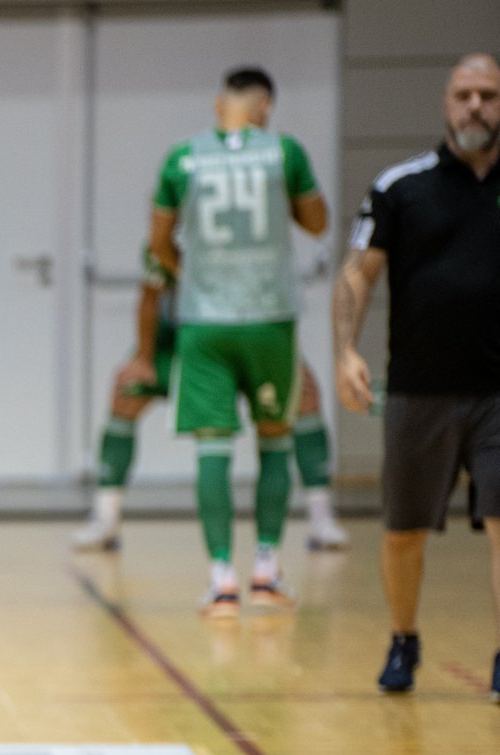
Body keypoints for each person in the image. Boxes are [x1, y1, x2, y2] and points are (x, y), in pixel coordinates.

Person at [334, 53, 500, 699]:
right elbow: (357, 272)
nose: (476, 106)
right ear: (445, 103)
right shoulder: (401, 186)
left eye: (489, 94)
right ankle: (404, 638)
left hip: (496, 393)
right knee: (403, 530)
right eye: (465, 94)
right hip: (418, 389)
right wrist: (346, 351)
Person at [148, 66, 329, 616]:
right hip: (270, 316)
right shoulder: (284, 152)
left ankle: (222, 579)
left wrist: (192, 274)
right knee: (275, 438)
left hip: (204, 321)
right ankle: (267, 570)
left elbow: (159, 241)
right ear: (265, 107)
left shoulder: (182, 157)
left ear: (218, 104)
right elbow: (317, 222)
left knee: (212, 445)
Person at [72, 247, 346, 553]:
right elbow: (149, 298)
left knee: (304, 392)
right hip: (182, 347)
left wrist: (284, 357)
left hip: (246, 342)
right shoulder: (166, 243)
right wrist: (144, 358)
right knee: (126, 390)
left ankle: (321, 518)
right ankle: (106, 518)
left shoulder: (251, 245)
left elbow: (278, 305)